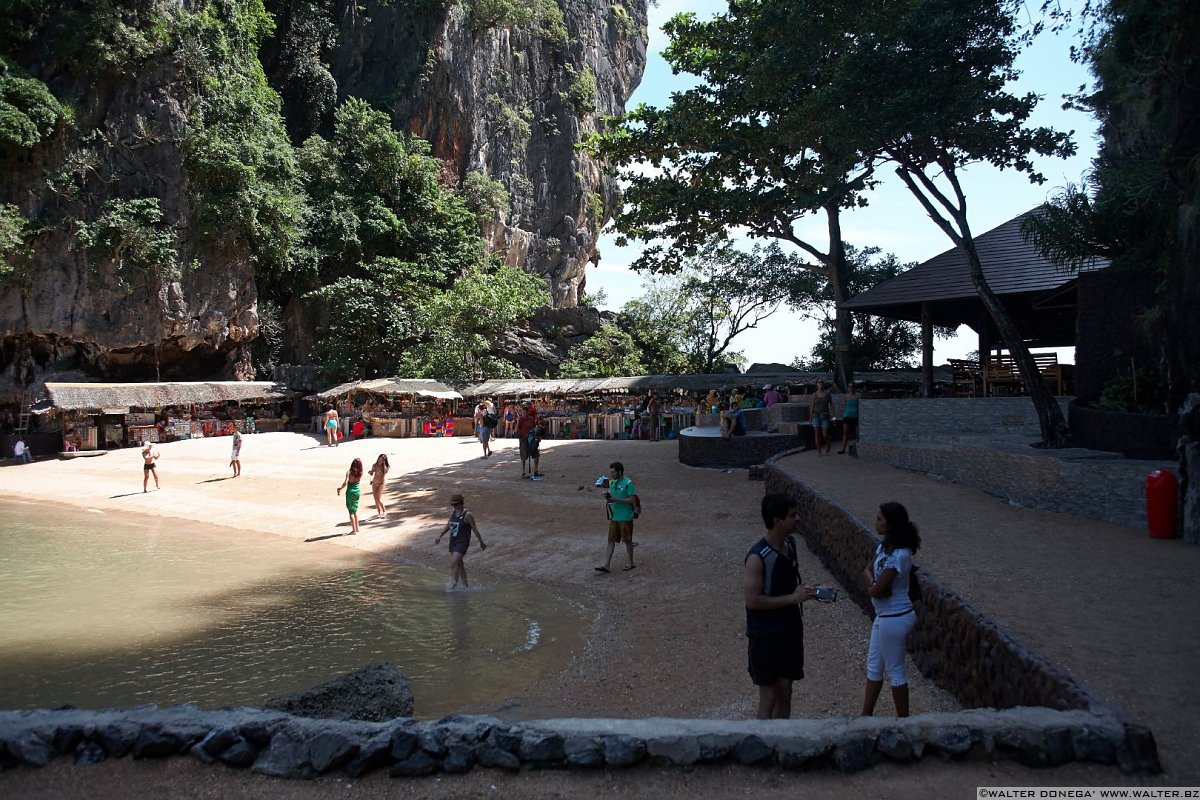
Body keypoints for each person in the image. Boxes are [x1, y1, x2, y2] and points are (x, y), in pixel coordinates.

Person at [743, 493, 817, 719]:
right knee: (769, 695)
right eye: (793, 515)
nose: (798, 519)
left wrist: (805, 592)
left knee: (786, 692)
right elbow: (752, 601)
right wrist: (793, 599)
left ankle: (782, 746)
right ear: (777, 520)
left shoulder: (790, 545)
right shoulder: (757, 557)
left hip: (790, 632)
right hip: (766, 636)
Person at [860, 501, 921, 718]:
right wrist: (873, 586)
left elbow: (878, 588)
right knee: (874, 665)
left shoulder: (900, 555)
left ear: (891, 524)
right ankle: (866, 715)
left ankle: (904, 722)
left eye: (880, 520)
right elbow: (868, 572)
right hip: (885, 615)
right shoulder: (884, 548)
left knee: (895, 670)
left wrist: (874, 587)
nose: (876, 523)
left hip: (895, 617)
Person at [434, 493, 487, 590]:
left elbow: (474, 529)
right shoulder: (453, 513)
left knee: (454, 562)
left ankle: (452, 585)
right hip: (453, 542)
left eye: (455, 504)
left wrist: (481, 542)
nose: (453, 507)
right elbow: (449, 525)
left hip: (463, 542)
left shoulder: (467, 515)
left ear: (460, 503)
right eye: (452, 505)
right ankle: (465, 586)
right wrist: (440, 535)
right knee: (460, 564)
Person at [594, 461, 637, 573]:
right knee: (611, 540)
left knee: (627, 541)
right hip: (615, 516)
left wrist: (615, 499)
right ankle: (606, 565)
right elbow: (613, 497)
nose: (612, 474)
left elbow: (632, 500)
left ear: (620, 472)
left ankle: (631, 562)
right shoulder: (613, 483)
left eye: (613, 472)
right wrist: (608, 497)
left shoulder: (628, 483)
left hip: (625, 517)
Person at [336, 457, 363, 534]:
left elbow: (345, 483)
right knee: (355, 510)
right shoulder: (360, 473)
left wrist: (340, 489)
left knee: (351, 511)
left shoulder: (349, 472)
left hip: (350, 492)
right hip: (357, 491)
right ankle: (357, 528)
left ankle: (353, 530)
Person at [809, 379, 834, 455]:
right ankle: (819, 450)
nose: (821, 383)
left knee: (825, 434)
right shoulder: (814, 394)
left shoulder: (828, 393)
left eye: (822, 382)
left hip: (825, 415)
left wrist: (834, 416)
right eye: (819, 382)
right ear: (816, 384)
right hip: (816, 415)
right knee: (817, 433)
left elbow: (831, 405)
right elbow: (812, 406)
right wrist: (810, 418)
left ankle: (828, 444)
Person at [838, 382, 861, 454]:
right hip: (847, 416)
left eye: (852, 386)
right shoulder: (846, 396)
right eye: (849, 386)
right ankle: (843, 449)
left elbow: (861, 406)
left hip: (855, 416)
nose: (851, 388)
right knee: (845, 432)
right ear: (848, 388)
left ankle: (859, 448)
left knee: (857, 433)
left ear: (855, 387)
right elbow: (845, 406)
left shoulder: (858, 395)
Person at [368, 454, 389, 519]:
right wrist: (370, 472)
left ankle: (384, 511)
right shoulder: (374, 465)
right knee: (375, 499)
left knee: (378, 498)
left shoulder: (385, 467)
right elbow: (372, 472)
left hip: (381, 483)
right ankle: (379, 512)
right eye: (380, 458)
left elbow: (385, 472)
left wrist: (383, 464)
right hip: (374, 483)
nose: (380, 460)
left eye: (382, 459)